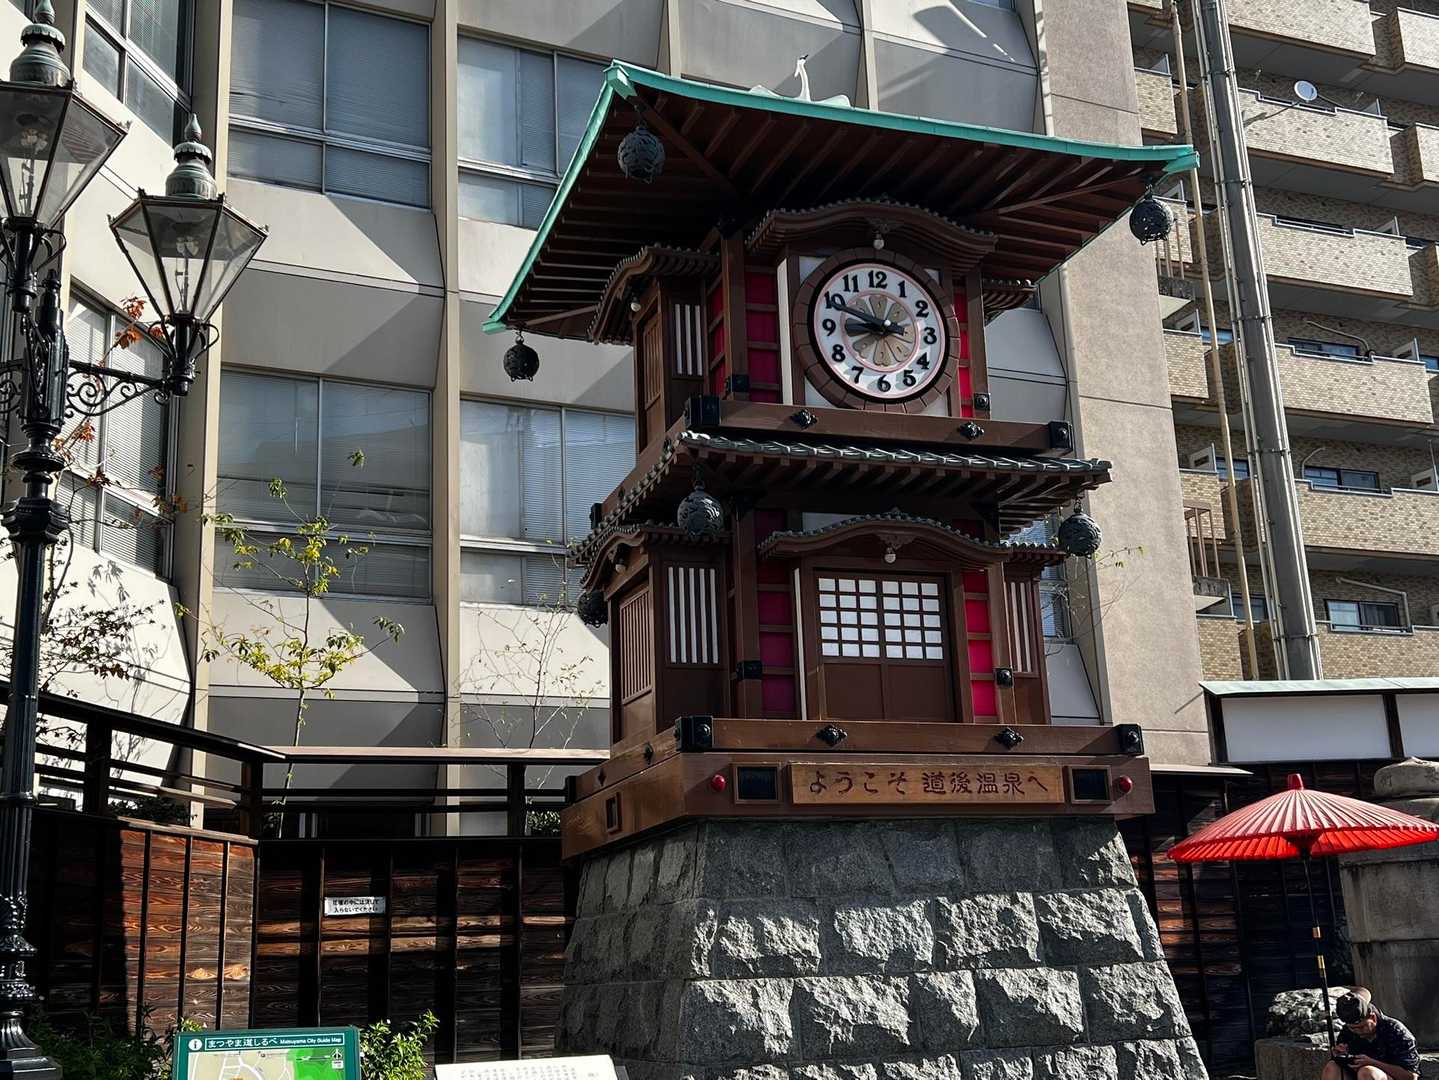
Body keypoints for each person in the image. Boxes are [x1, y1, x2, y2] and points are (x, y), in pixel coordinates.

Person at [1321, 987, 1421, 1080]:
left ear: (1373, 1018)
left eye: (1362, 1027)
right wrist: (1341, 1055)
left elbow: (1411, 1076)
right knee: (1332, 1068)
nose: (1358, 1031)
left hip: (1385, 1076)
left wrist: (1373, 1063)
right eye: (1353, 1028)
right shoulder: (1348, 1032)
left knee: (1367, 1072)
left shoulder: (1396, 1031)